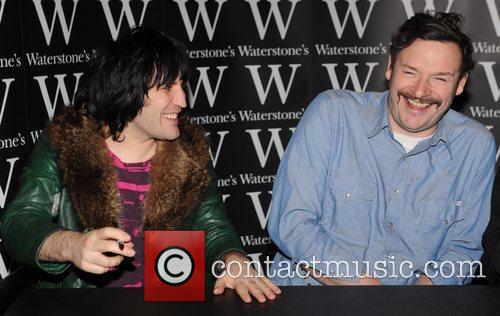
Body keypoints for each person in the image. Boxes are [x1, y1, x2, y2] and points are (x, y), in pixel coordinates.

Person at [0, 26, 280, 303]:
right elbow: (18, 221)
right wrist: (72, 246)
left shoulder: (190, 152)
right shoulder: (66, 143)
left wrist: (233, 260)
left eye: (182, 85)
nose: (182, 100)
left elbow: (214, 226)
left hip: (172, 305)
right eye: (168, 86)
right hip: (84, 305)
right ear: (128, 88)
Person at [267, 11, 496, 286]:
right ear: (390, 67)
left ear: (460, 84)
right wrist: (371, 293)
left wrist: (415, 305)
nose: (420, 91)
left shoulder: (475, 145)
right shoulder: (333, 113)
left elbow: (462, 249)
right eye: (410, 72)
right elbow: (291, 222)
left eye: (440, 78)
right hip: (311, 300)